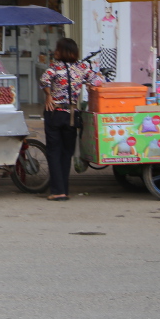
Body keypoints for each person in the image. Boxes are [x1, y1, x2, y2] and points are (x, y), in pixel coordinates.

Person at [39, 37, 102, 202]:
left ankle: (57, 191)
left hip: (54, 113)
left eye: (57, 49)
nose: (55, 51)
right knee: (66, 153)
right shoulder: (82, 68)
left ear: (63, 51)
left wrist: (48, 96)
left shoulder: (55, 67)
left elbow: (44, 80)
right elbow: (98, 81)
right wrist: (89, 85)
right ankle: (64, 191)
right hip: (72, 114)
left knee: (54, 152)